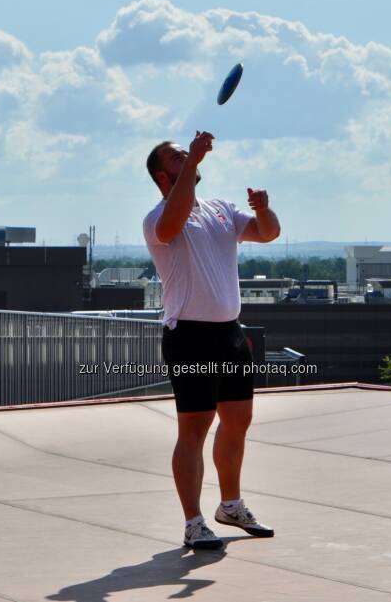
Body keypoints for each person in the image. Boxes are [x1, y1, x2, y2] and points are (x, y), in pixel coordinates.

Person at [143, 131, 280, 550]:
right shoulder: (158, 219)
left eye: (187, 153)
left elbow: (267, 233)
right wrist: (196, 160)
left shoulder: (220, 208)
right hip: (190, 336)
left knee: (238, 421)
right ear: (163, 175)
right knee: (195, 428)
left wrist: (264, 208)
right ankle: (193, 522)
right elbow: (174, 219)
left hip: (229, 333)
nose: (186, 157)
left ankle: (231, 505)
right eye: (177, 157)